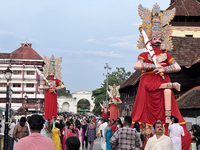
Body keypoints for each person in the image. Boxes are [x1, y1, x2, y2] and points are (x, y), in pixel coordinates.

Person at [131, 3, 191, 149]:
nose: (157, 37)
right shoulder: (145, 54)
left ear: (163, 35)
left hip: (162, 79)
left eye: (159, 34)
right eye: (154, 34)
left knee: (167, 91)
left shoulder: (166, 54)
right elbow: (137, 66)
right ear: (149, 35)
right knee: (154, 89)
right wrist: (153, 66)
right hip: (148, 83)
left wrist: (165, 69)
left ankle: (168, 119)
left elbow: (177, 67)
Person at [39, 55, 65, 120]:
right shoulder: (45, 79)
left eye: (53, 70)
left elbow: (62, 86)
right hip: (48, 94)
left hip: (54, 94)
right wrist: (48, 87)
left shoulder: (56, 80)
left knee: (53, 107)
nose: (51, 71)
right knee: (47, 107)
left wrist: (55, 88)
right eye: (50, 70)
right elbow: (40, 87)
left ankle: (53, 119)